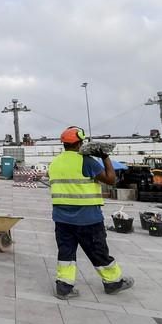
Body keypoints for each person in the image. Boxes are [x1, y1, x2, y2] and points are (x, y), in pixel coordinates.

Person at [49, 126, 134, 300]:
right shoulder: (86, 161)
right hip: (87, 218)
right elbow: (111, 180)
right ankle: (113, 282)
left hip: (62, 219)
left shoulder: (54, 163)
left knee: (66, 253)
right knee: (98, 251)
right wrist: (104, 156)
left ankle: (64, 287)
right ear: (80, 143)